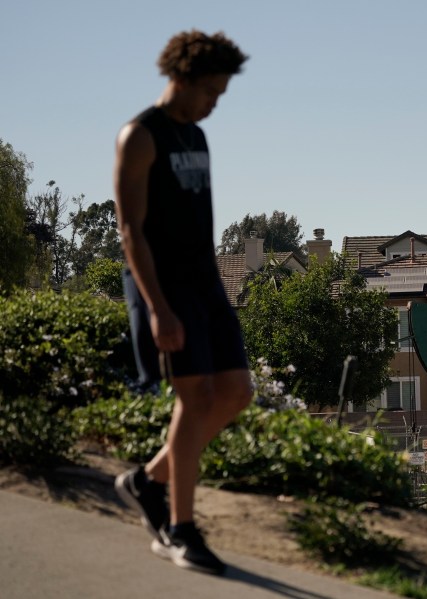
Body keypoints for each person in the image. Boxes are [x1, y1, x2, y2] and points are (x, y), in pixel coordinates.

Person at [113, 30, 252, 576]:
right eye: (211, 92)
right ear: (183, 78)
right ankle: (179, 529)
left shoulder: (195, 135)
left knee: (236, 392)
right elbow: (131, 230)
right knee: (194, 402)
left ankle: (147, 482)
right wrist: (157, 308)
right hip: (163, 287)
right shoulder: (139, 137)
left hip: (206, 283)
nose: (215, 103)